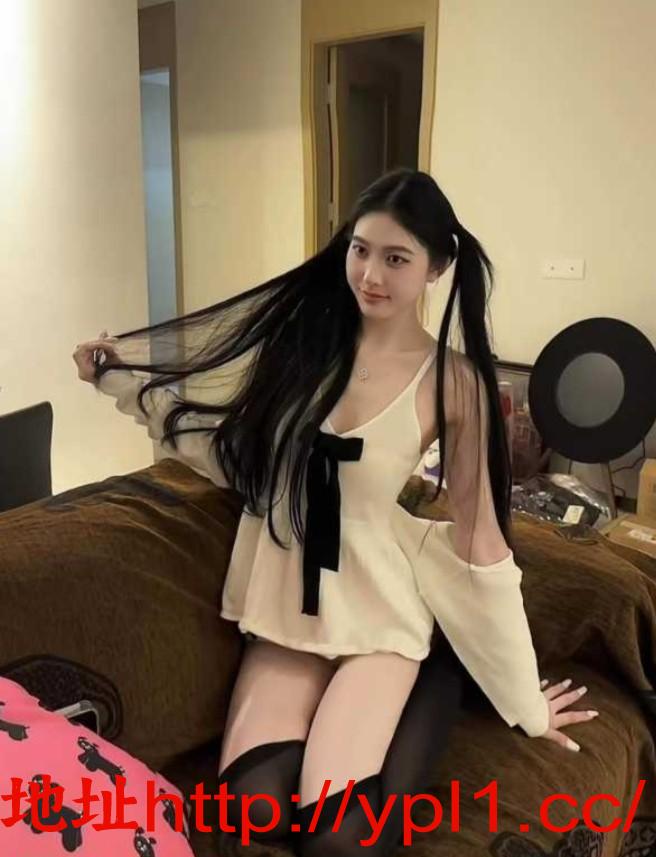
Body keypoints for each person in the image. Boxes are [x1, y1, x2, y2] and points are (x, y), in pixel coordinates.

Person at [73, 168, 596, 855]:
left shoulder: (453, 381)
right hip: (288, 615)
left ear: (436, 268)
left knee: (339, 840)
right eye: (360, 249)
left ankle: (438, 669)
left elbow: (480, 539)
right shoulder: (303, 347)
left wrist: (523, 696)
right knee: (253, 809)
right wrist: (116, 379)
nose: (370, 275)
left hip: (381, 619)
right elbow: (231, 452)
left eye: (396, 258)